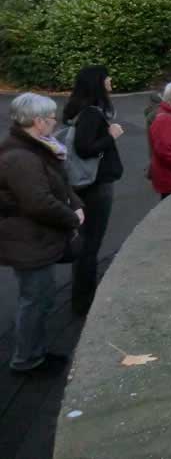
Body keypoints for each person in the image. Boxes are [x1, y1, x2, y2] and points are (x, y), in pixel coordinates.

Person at [0, 93, 85, 374]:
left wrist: (76, 203)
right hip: (28, 241)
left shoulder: (35, 148)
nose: (54, 123)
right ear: (37, 122)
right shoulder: (21, 157)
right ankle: (27, 359)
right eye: (50, 118)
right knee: (35, 300)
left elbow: (57, 185)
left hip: (33, 238)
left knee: (40, 297)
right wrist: (71, 217)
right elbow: (38, 202)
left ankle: (34, 352)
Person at [62, 65, 124, 316]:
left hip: (85, 184)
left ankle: (81, 296)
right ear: (98, 82)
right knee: (91, 243)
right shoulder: (92, 113)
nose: (110, 80)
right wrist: (111, 136)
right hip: (96, 185)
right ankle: (83, 302)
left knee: (86, 240)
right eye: (107, 77)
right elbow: (85, 147)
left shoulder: (79, 109)